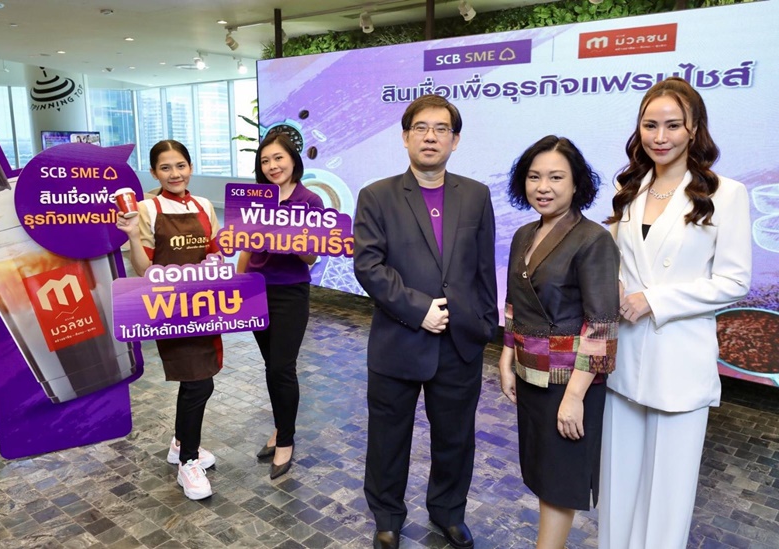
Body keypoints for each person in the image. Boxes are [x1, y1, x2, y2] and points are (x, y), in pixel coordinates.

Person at [598, 77, 752, 549]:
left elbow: (734, 282)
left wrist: (655, 300)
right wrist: (614, 283)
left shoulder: (725, 193)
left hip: (680, 361)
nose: (659, 136)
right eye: (650, 125)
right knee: (616, 485)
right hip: (626, 357)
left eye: (672, 125)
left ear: (694, 129)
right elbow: (616, 259)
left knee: (668, 495)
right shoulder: (627, 187)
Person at [353, 94, 497, 549]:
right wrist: (420, 310)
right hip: (398, 340)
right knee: (387, 438)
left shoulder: (475, 195)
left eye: (441, 129)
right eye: (421, 128)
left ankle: (448, 511)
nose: (430, 136)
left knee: (456, 439)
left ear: (455, 140)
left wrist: (485, 325)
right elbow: (368, 267)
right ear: (405, 137)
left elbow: (484, 268)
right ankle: (387, 518)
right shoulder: (376, 195)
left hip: (460, 343)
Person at [497, 136, 619, 549]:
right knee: (541, 471)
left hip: (569, 383)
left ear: (576, 183)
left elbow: (602, 326)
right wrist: (507, 356)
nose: (543, 187)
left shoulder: (593, 239)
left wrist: (574, 397)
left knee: (560, 481)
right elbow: (514, 303)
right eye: (534, 177)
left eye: (555, 177)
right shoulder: (524, 234)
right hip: (530, 376)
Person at [117, 139, 222, 500]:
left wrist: (216, 261)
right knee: (198, 383)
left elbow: (213, 251)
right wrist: (132, 236)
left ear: (190, 167)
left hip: (204, 305)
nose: (174, 174)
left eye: (180, 165)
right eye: (165, 167)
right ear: (154, 172)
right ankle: (188, 463)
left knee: (198, 381)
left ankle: (180, 444)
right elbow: (143, 268)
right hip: (170, 309)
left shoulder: (203, 205)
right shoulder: (146, 208)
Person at [236, 132, 322, 480]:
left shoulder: (309, 201)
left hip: (290, 294)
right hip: (255, 289)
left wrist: (292, 238)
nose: (272, 166)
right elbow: (246, 245)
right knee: (271, 366)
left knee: (283, 368)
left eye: (278, 158)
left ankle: (285, 440)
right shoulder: (256, 198)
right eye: (265, 161)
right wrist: (238, 284)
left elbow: (311, 257)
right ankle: (280, 426)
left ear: (292, 160)